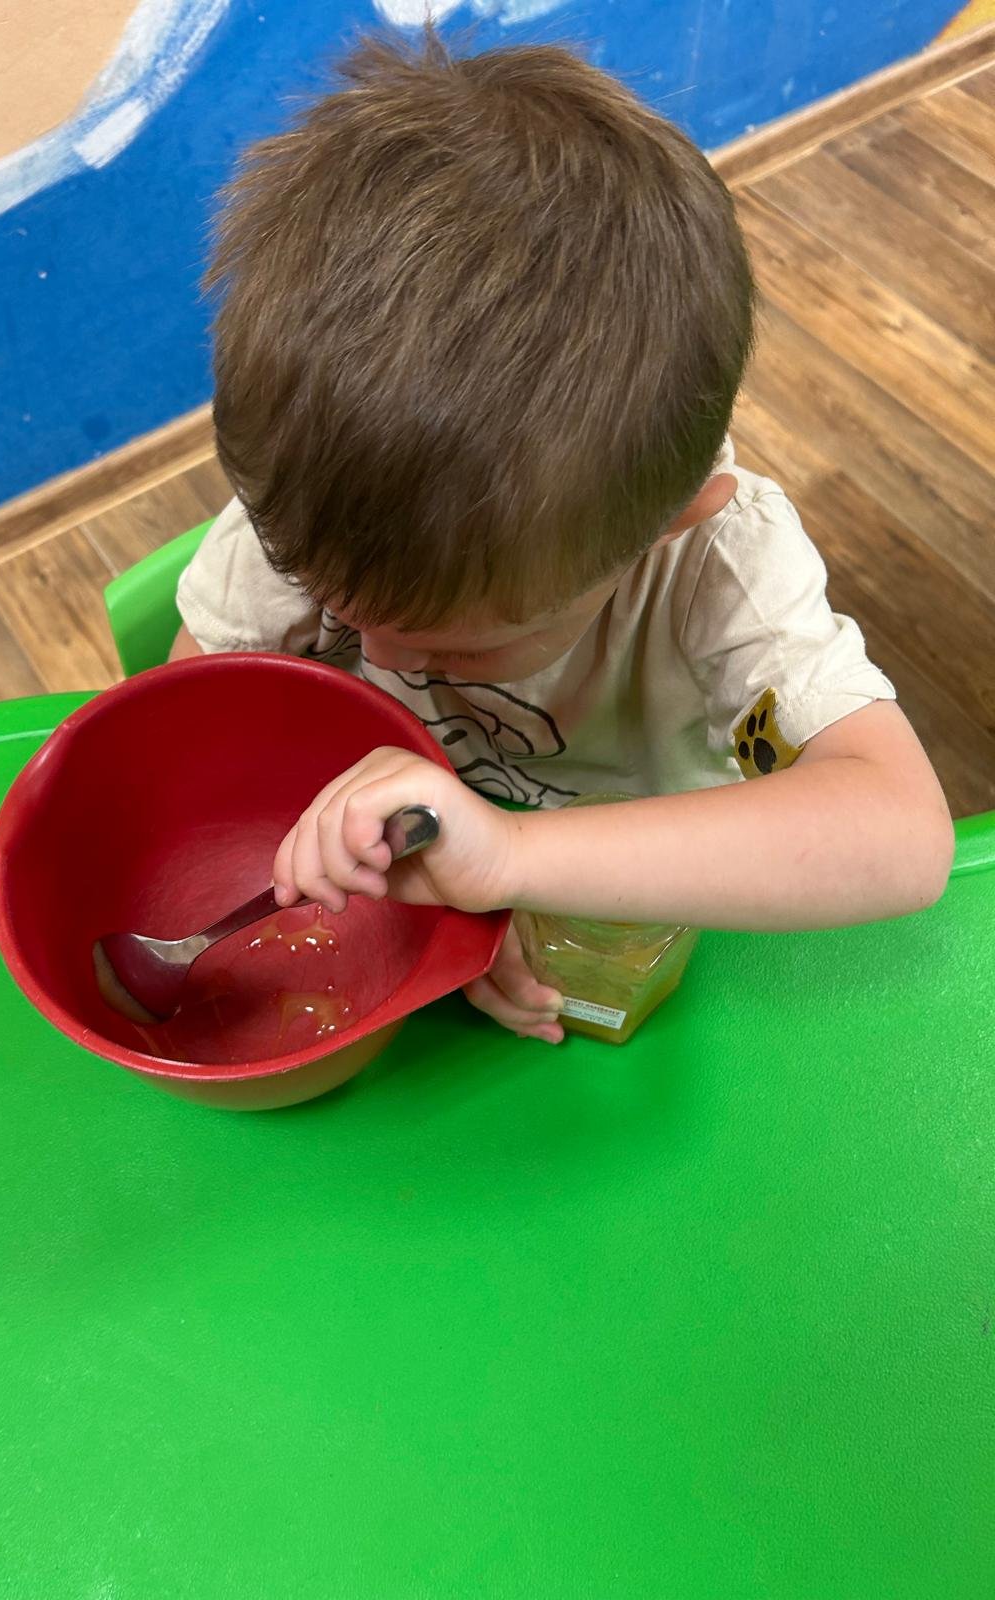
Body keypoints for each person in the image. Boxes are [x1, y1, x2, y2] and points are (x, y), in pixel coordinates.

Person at [170, 32, 953, 1044]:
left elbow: (899, 837)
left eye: (458, 647)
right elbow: (193, 733)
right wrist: (438, 898)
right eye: (332, 603)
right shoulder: (323, 512)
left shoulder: (720, 571)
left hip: (631, 927)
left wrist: (508, 864)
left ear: (666, 527)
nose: (381, 655)